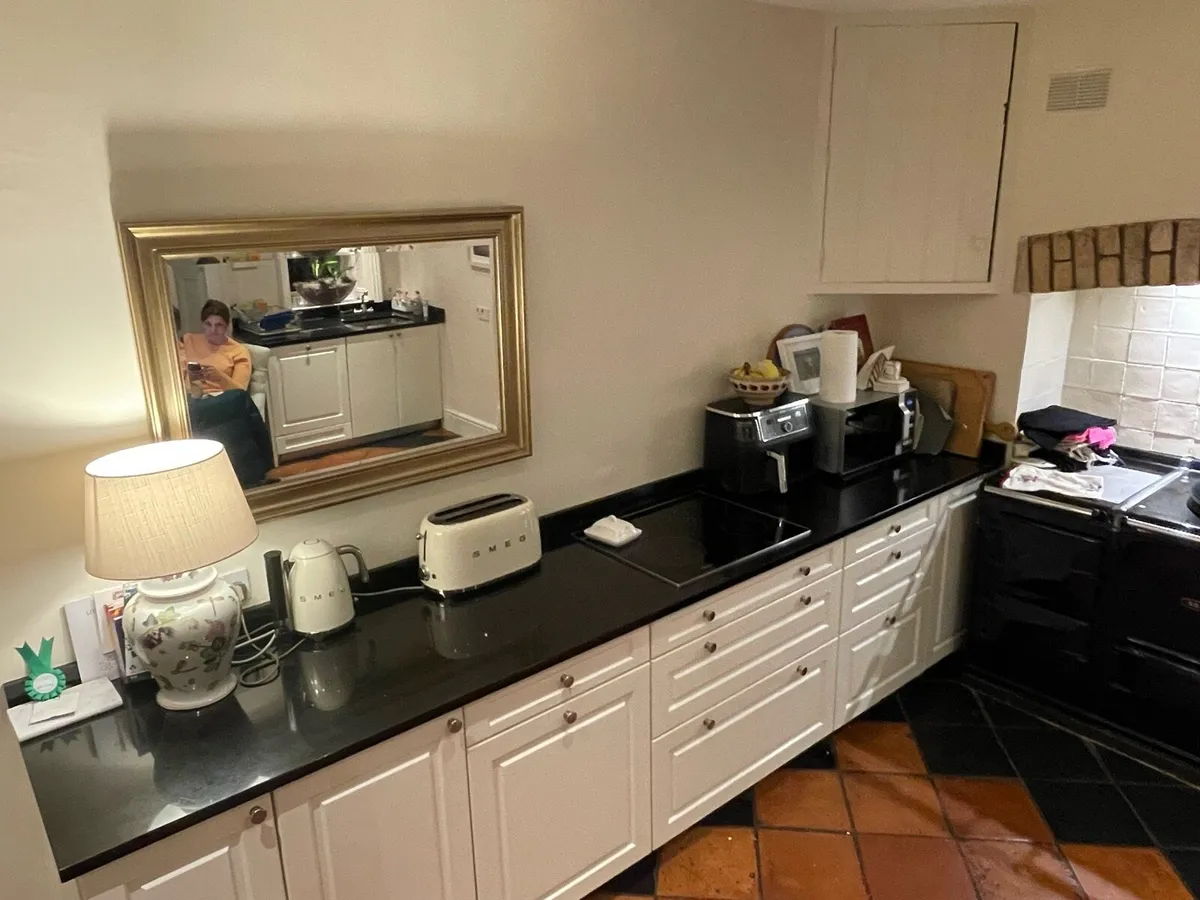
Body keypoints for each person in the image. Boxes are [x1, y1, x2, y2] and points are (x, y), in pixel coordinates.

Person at [178, 300, 273, 486]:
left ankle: (248, 474)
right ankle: (258, 470)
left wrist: (220, 377)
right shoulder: (189, 340)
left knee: (238, 400)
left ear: (227, 326)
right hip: (192, 398)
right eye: (208, 324)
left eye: (219, 325)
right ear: (202, 324)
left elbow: (239, 390)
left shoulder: (238, 351)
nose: (213, 330)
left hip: (224, 399)